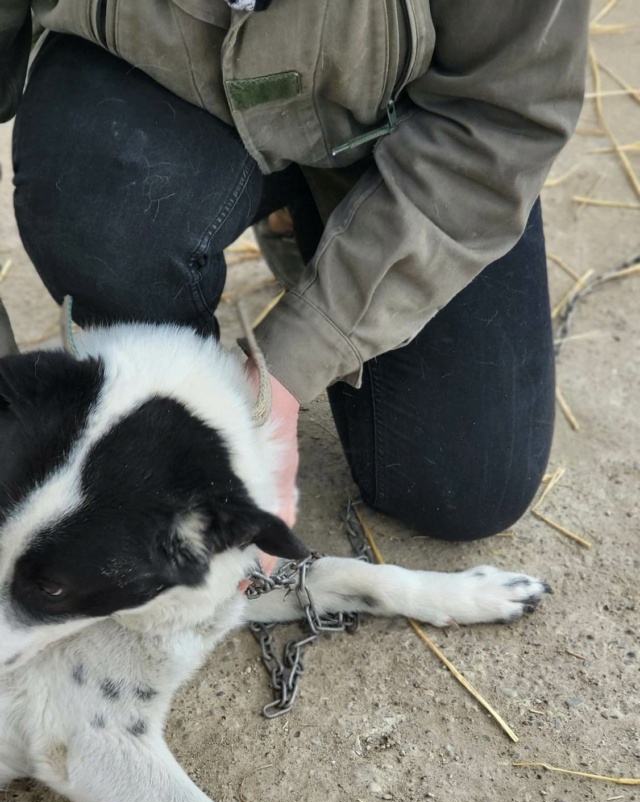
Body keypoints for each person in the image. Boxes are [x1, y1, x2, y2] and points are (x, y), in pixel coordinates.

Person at [0, 1, 588, 540]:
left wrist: (287, 366)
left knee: (464, 490)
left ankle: (327, 224)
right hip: (156, 93)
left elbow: (505, 116)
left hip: (414, 133)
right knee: (100, 213)